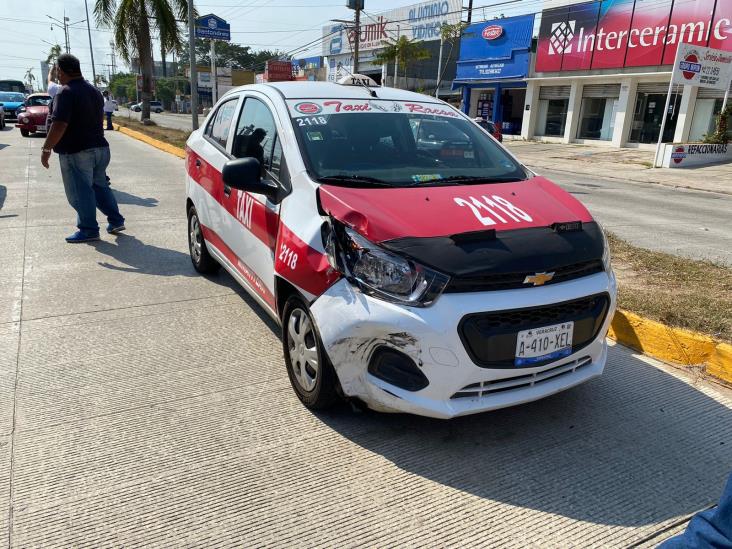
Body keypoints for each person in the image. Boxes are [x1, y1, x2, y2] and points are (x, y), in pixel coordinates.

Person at [40, 53, 125, 243]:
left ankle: (88, 229)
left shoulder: (65, 92)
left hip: (77, 151)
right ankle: (116, 220)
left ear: (61, 71)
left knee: (80, 192)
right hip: (100, 149)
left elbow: (59, 124)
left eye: (58, 72)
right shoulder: (94, 90)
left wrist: (46, 149)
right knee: (99, 186)